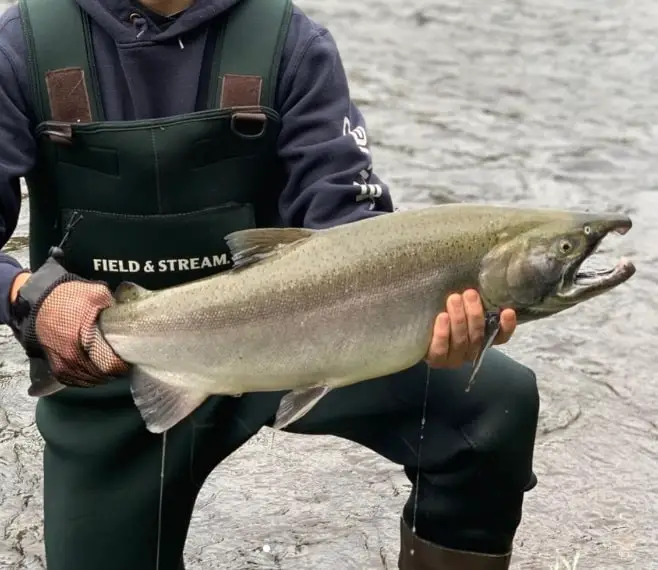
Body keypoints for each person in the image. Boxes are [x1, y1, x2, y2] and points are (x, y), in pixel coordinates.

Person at [0, 0, 540, 568]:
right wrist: (28, 298)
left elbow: (346, 223)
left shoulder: (290, 43)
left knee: (493, 403)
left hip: (299, 345)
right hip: (112, 368)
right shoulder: (25, 44)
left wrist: (423, 308)